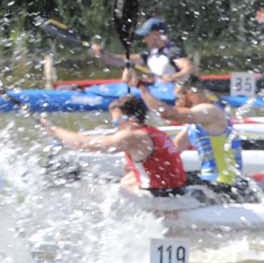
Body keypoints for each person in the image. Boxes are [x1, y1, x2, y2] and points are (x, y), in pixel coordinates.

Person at [40, 93, 186, 196]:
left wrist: (54, 130)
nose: (117, 127)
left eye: (117, 122)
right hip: (173, 189)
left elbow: (82, 143)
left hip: (161, 196)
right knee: (125, 180)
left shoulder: (133, 136)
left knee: (97, 194)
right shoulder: (153, 132)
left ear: (129, 118)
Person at [133, 72, 246, 195]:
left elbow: (168, 113)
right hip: (213, 182)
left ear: (191, 93)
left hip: (225, 186)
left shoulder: (209, 111)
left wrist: (142, 88)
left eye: (177, 98)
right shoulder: (196, 123)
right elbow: (172, 151)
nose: (176, 103)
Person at [90, 16, 194, 88]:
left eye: (146, 35)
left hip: (172, 93)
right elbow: (121, 60)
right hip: (157, 90)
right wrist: (102, 53)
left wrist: (172, 77)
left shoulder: (173, 51)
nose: (144, 40)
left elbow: (189, 69)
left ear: (156, 34)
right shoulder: (150, 53)